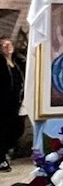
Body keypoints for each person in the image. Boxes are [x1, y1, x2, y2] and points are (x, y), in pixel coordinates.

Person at [0, 36, 25, 172]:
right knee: (2, 131)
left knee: (16, 129)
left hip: (15, 102)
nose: (7, 47)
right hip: (3, 103)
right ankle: (1, 158)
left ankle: (6, 152)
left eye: (9, 45)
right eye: (4, 45)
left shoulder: (17, 63)